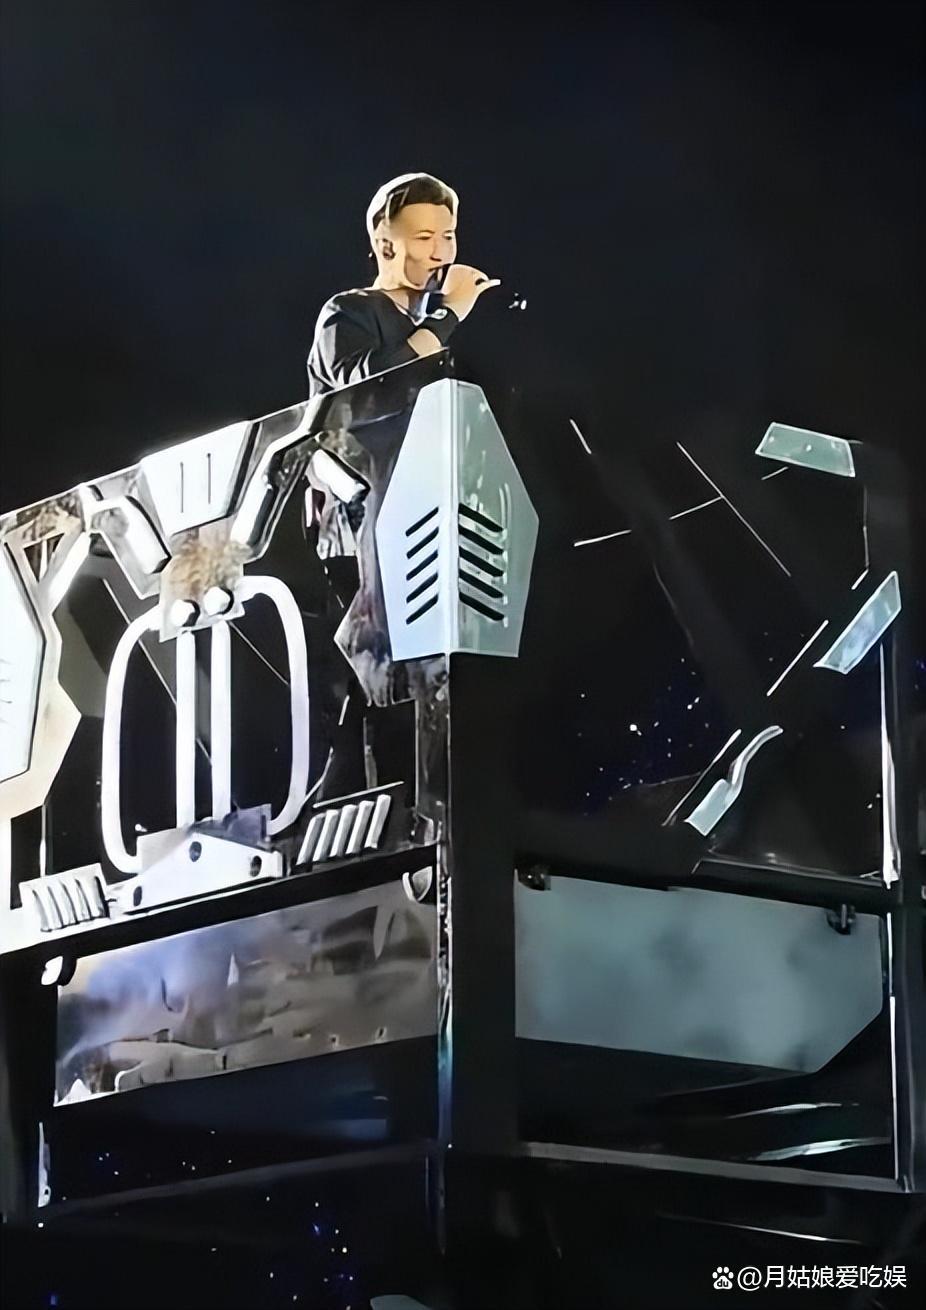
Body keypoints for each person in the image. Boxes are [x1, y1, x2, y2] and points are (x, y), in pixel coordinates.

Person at [306, 172, 500, 396]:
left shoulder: (436, 320)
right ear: (386, 247)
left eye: (448, 236)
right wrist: (446, 316)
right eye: (424, 238)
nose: (441, 254)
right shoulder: (348, 311)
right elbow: (366, 390)